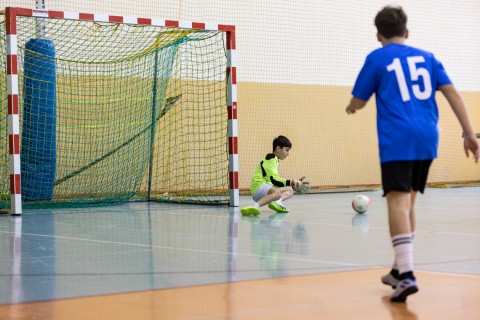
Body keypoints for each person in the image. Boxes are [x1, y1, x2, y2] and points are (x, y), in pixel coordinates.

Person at [346, 5, 479, 303]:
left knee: (396, 201)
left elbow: (359, 99)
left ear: (378, 35)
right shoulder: (428, 58)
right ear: (406, 32)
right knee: (408, 202)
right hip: (428, 137)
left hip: (398, 139)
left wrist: (352, 106)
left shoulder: (377, 58)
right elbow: (453, 94)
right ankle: (398, 268)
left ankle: (406, 275)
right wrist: (470, 133)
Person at [241, 135, 309, 216]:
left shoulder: (275, 160)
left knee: (290, 190)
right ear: (278, 149)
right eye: (286, 150)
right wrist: (293, 182)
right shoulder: (270, 158)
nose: (288, 154)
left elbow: (273, 182)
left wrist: (293, 185)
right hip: (259, 187)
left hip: (266, 188)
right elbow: (274, 180)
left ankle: (277, 202)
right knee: (277, 193)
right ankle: (254, 207)